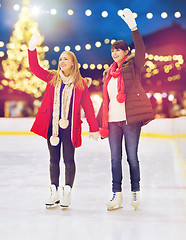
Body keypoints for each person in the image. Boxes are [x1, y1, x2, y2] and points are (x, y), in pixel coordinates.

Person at [28, 32, 99, 209]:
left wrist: (94, 127)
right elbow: (35, 69)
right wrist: (31, 48)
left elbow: (88, 107)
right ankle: (54, 192)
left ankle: (67, 192)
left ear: (73, 63)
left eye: (65, 59)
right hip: (52, 127)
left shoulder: (80, 84)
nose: (62, 62)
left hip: (70, 127)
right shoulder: (52, 78)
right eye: (60, 59)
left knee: (68, 160)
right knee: (53, 160)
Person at [97, 8, 154, 210]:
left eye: (118, 50)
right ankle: (116, 195)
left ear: (125, 52)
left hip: (130, 121)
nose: (114, 53)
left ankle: (135, 191)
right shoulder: (108, 73)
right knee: (115, 159)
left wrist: (134, 28)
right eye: (112, 51)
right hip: (113, 122)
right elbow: (107, 100)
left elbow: (141, 49)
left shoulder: (133, 66)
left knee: (132, 157)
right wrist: (96, 124)